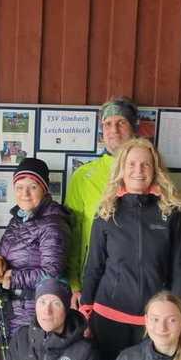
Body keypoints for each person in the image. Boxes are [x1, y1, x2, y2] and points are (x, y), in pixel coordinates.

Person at [80, 138, 181, 360]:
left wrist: (176, 312)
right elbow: (94, 265)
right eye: (131, 164)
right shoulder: (106, 211)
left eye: (145, 164)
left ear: (155, 170)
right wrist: (85, 309)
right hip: (108, 315)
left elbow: (180, 266)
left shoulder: (172, 212)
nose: (138, 170)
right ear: (122, 169)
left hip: (155, 322)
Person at [0, 158, 70, 343]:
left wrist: (12, 278)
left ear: (45, 189)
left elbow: (52, 272)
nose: (25, 194)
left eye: (33, 187)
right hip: (8, 314)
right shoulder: (18, 219)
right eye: (19, 187)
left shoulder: (53, 224)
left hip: (32, 318)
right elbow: (2, 252)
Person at [64, 96, 139, 303]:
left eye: (121, 122)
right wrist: (74, 283)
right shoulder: (83, 176)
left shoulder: (150, 173)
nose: (114, 130)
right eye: (107, 124)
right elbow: (72, 231)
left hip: (138, 283)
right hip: (93, 280)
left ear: (134, 127)